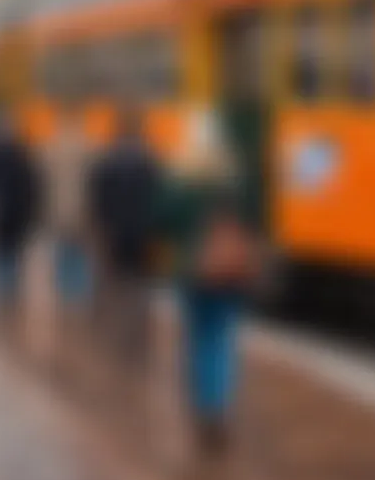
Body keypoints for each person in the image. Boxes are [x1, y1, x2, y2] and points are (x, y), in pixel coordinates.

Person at [157, 117, 257, 457]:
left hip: (192, 271)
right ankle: (219, 408)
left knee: (197, 339)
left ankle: (202, 408)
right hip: (228, 272)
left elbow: (163, 219)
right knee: (222, 340)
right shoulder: (235, 180)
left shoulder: (181, 179)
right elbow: (252, 220)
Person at [88, 106, 161, 379]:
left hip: (115, 232)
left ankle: (118, 336)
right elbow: (158, 198)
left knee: (116, 283)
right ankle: (138, 338)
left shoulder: (106, 161)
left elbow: (98, 200)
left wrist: (101, 229)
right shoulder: (150, 160)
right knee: (140, 284)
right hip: (142, 231)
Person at [0, 111, 42, 328]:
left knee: (0, 252)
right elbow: (33, 189)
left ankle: (2, 292)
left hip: (0, 211)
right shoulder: (27, 160)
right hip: (18, 213)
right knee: (14, 252)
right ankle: (11, 290)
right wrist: (33, 214)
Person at [41, 111, 93, 317]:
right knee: (80, 255)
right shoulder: (89, 149)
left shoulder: (50, 147)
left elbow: (42, 181)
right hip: (83, 211)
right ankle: (78, 298)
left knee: (62, 254)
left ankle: (63, 295)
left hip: (57, 210)